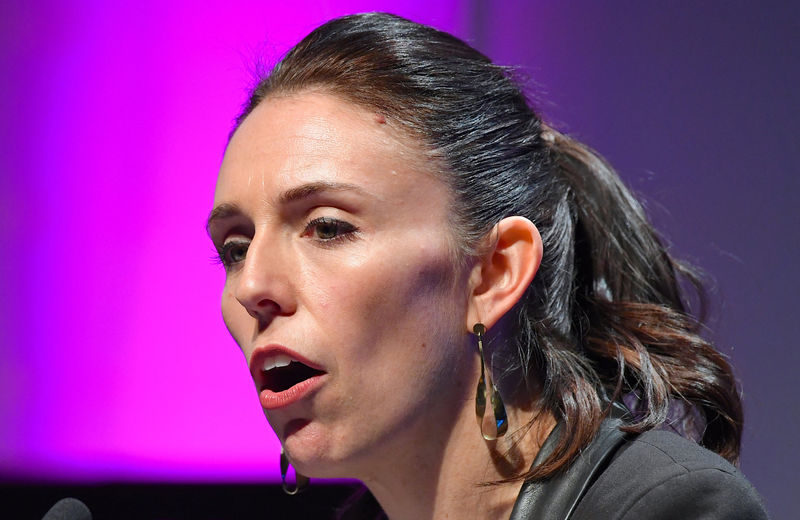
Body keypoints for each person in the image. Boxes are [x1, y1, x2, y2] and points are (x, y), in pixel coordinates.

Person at [206, 12, 768, 519]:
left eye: (328, 227)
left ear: (495, 273)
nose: (252, 285)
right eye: (236, 247)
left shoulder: (659, 506)